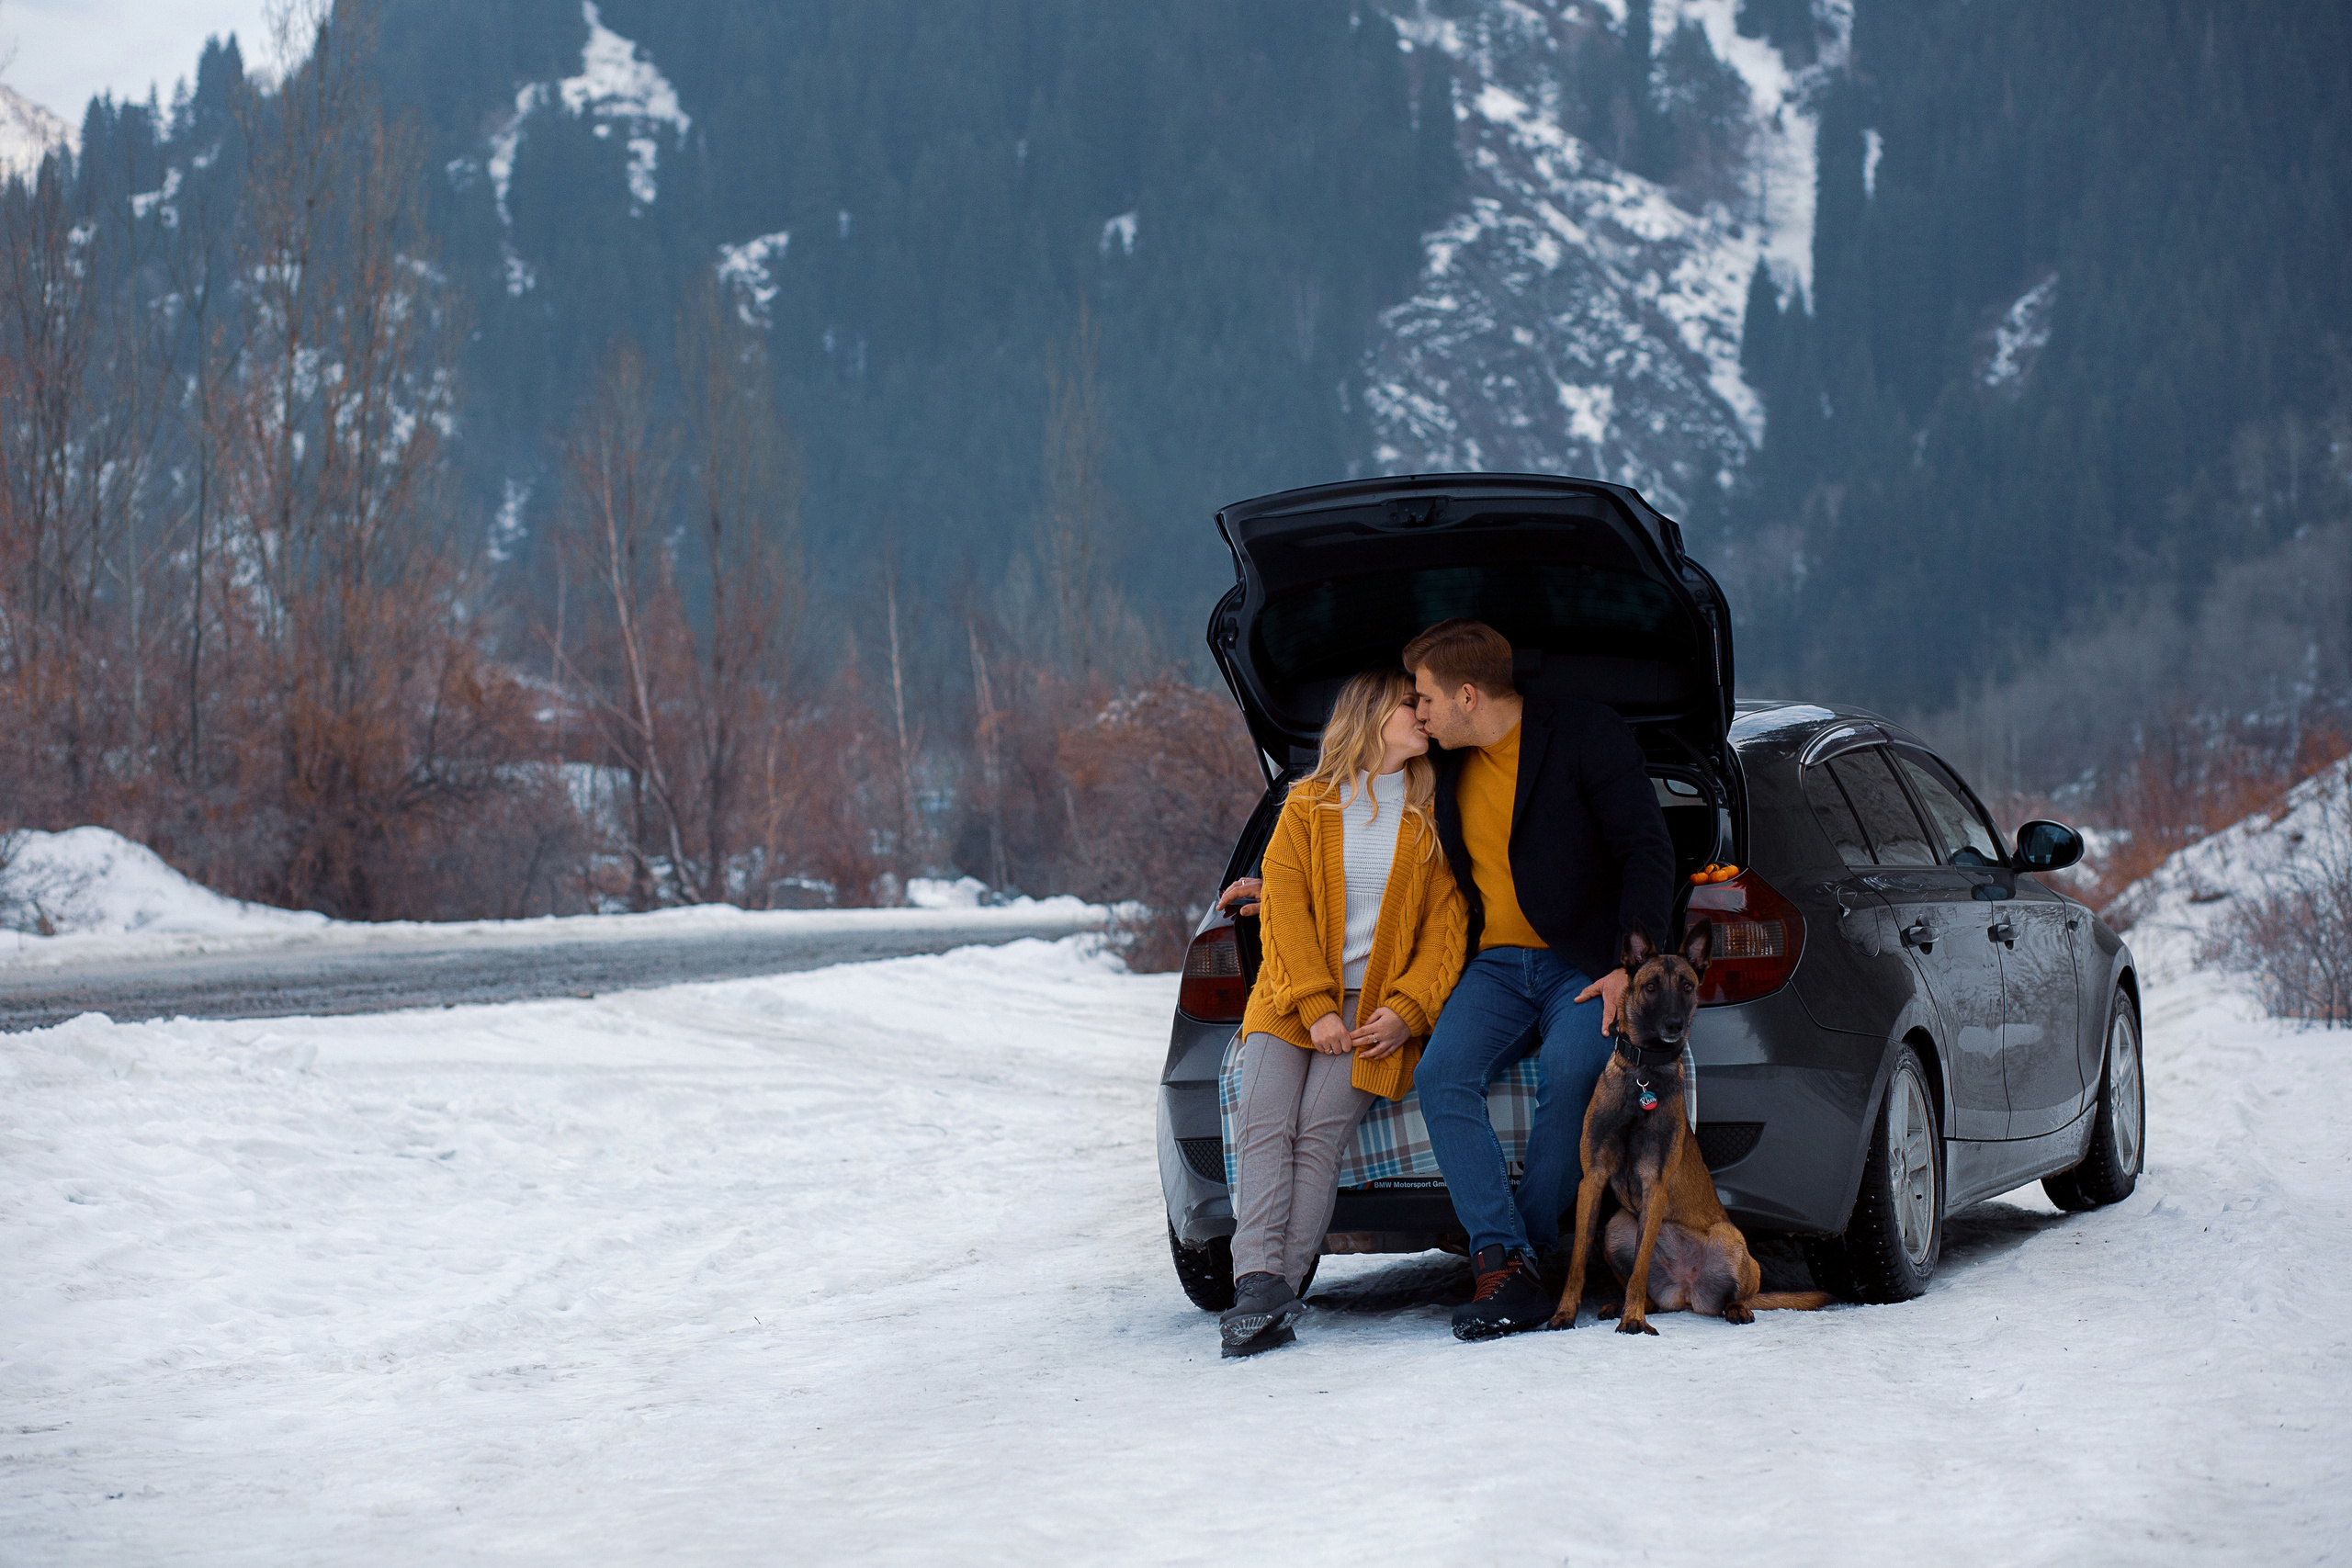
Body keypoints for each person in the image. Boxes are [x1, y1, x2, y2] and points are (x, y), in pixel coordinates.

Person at [1405, 618, 1675, 1340]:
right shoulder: (1444, 764)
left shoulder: (1585, 734)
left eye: (1425, 697)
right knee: (1441, 1074)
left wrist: (1628, 968)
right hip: (1492, 966)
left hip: (1579, 964)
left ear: (1467, 695)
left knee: (1575, 1070)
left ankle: (1517, 1262)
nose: (1418, 712)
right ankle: (1504, 1254)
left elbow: (1646, 848)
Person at [1218, 669, 1468, 1358]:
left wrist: (1407, 1012)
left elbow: (1443, 937)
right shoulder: (1306, 806)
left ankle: (1277, 1291)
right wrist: (1315, 1005)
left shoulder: (1429, 823)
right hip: (1289, 998)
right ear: (1370, 715)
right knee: (1264, 1126)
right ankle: (1256, 1284)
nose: (1423, 715)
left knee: (1317, 1136)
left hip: (1375, 1013)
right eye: (1409, 705)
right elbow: (1285, 911)